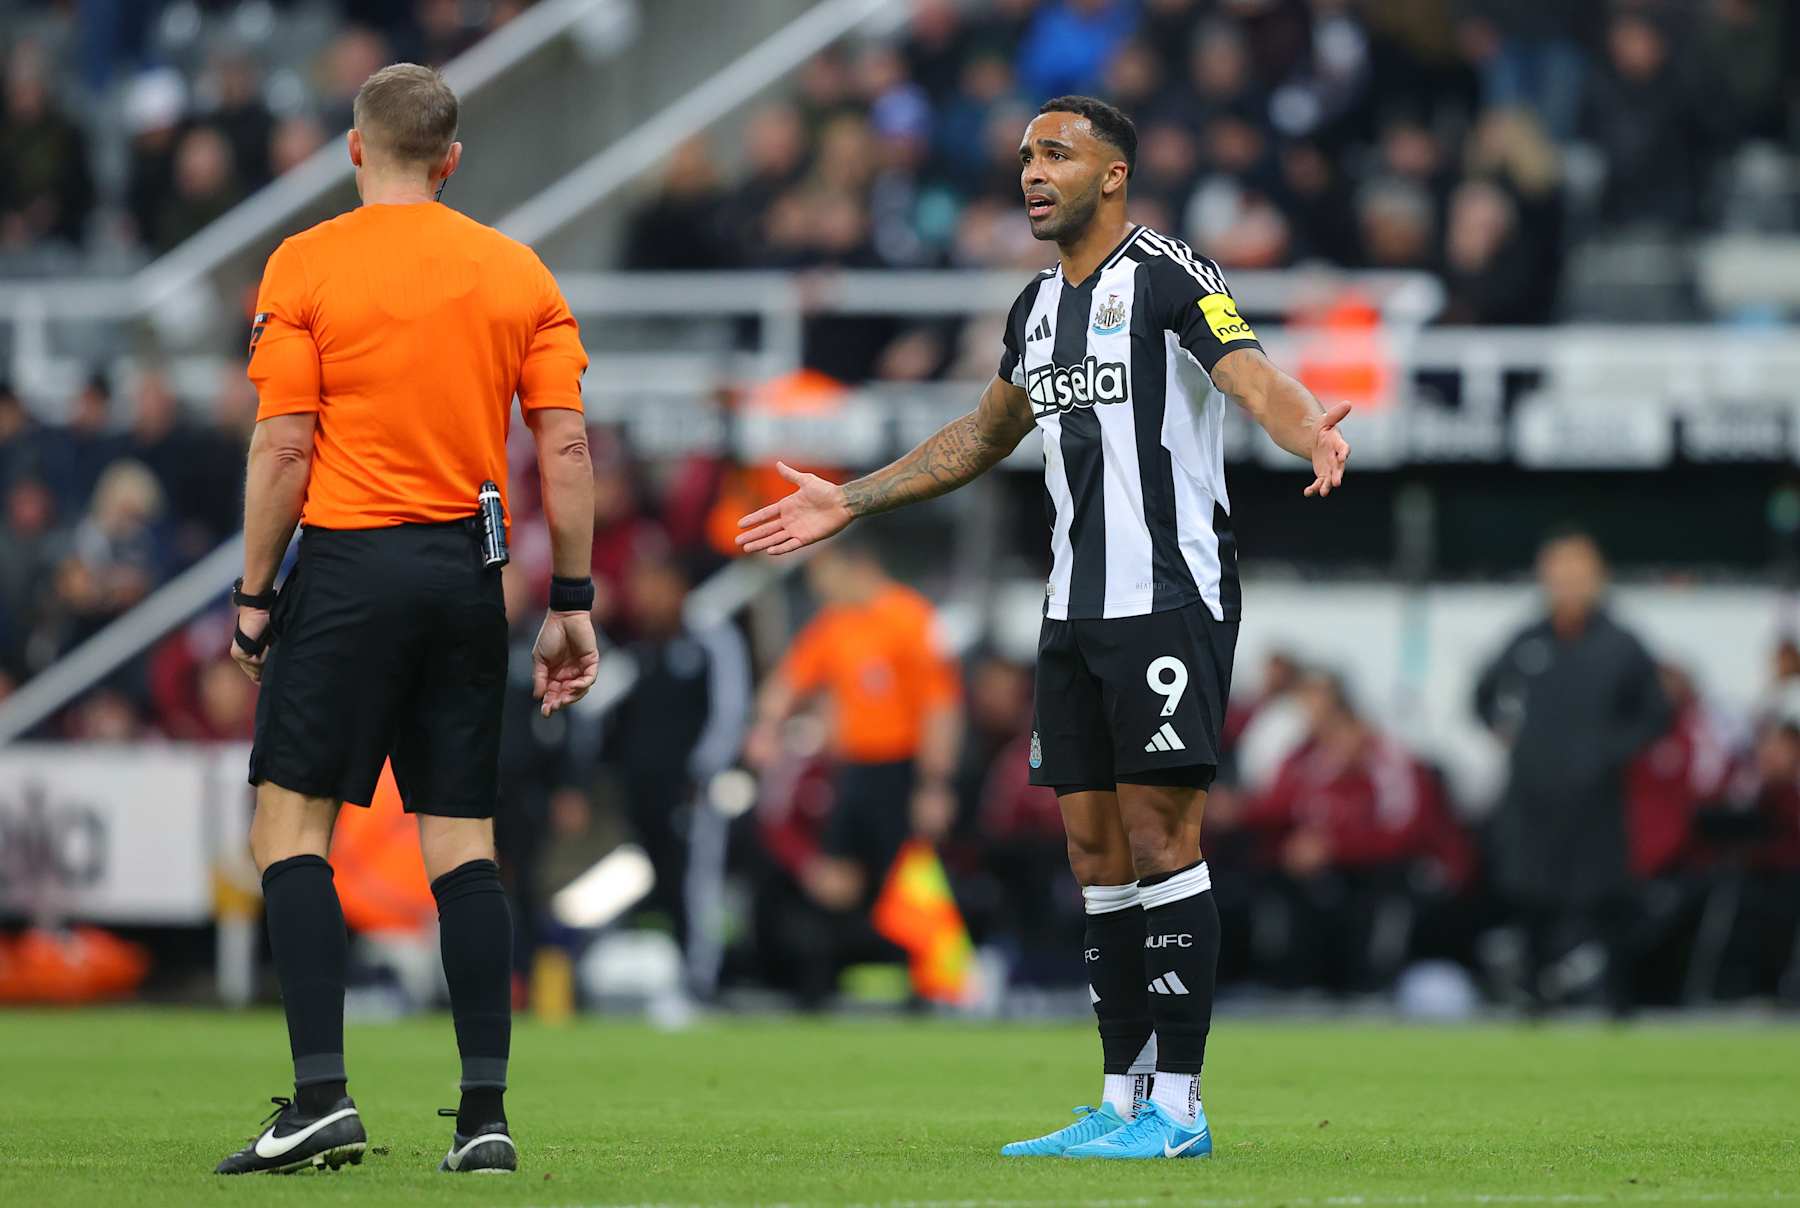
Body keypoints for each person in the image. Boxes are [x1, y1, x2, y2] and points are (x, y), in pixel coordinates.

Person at [737, 95, 1350, 1161]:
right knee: (1092, 848)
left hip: (1168, 594)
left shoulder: (1168, 274)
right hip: (1072, 608)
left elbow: (1248, 371)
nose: (1032, 170)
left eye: (1057, 154)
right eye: (1025, 154)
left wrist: (1308, 431)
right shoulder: (1034, 308)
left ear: (1113, 174)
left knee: (1165, 835)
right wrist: (852, 497)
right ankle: (1119, 1097)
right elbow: (982, 432)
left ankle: (1181, 1108)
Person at [217, 63, 595, 1176]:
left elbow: (283, 444)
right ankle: (485, 1115)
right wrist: (570, 600)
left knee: (290, 832)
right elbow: (565, 447)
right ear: (453, 159)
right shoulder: (514, 268)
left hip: (346, 568)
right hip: (466, 572)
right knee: (461, 844)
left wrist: (251, 594)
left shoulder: (306, 262)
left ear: (352, 148)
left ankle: (323, 1098)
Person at [1474, 531, 1668, 1014]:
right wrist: (1512, 740)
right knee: (1531, 903)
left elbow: (1655, 712)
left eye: (1578, 572)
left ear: (1599, 578)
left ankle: (1615, 1001)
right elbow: (1483, 696)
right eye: (1559, 572)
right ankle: (1535, 999)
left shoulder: (1622, 645)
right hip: (1533, 799)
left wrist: (1609, 753)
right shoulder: (1527, 640)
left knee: (1604, 903)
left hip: (1597, 801)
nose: (1568, 583)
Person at [744, 541, 962, 948]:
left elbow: (940, 709)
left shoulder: (911, 619)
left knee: (908, 880)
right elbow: (789, 680)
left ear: (857, 566)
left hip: (901, 769)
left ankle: (925, 982)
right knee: (839, 875)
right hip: (852, 770)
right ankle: (837, 973)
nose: (818, 587)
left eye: (823, 575)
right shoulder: (835, 625)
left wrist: (935, 784)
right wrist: (766, 726)